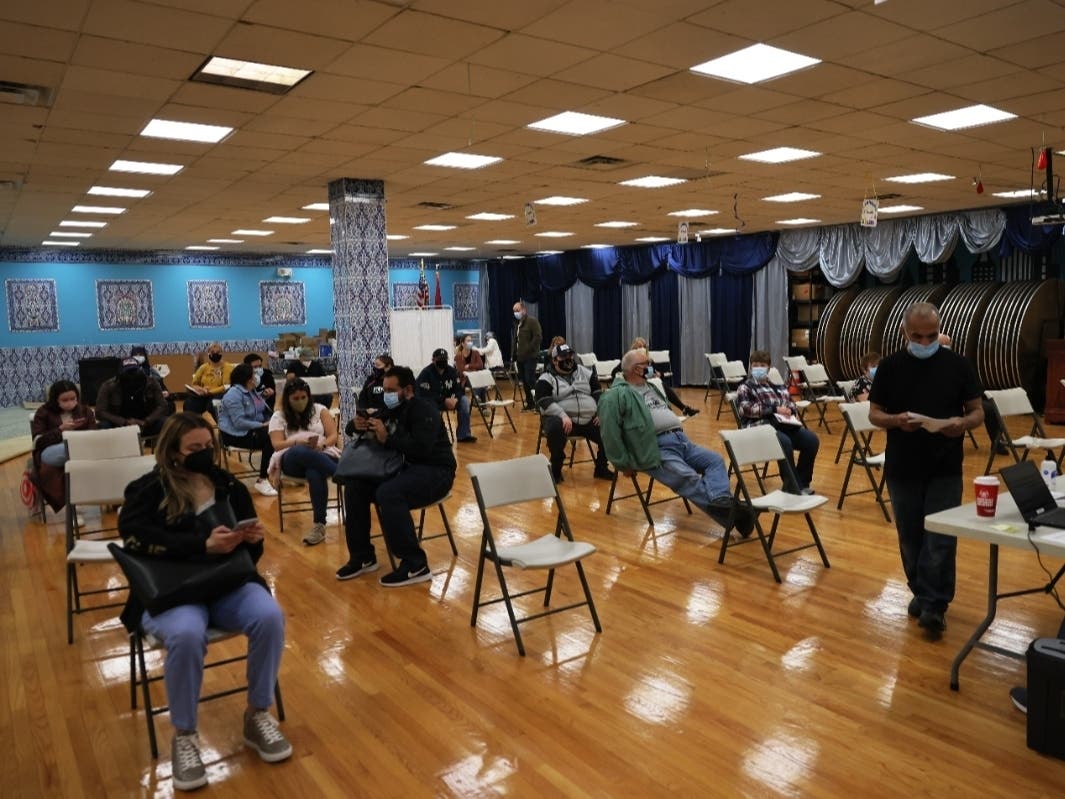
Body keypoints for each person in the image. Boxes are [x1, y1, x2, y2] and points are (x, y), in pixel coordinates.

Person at [117, 412, 290, 791]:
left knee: (270, 617)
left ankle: (257, 713)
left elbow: (251, 558)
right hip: (173, 589)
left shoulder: (228, 486)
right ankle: (185, 735)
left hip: (226, 582)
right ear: (173, 452)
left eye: (208, 447)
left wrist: (252, 539)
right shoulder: (147, 490)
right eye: (194, 448)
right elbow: (134, 541)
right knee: (186, 635)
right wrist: (201, 545)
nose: (203, 454)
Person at [869, 302, 983, 637]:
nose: (924, 342)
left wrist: (961, 423)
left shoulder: (958, 365)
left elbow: (977, 411)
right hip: (903, 465)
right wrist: (895, 420)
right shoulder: (890, 367)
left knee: (942, 537)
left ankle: (935, 604)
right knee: (910, 536)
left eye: (931, 336)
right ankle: (920, 590)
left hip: (946, 463)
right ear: (905, 333)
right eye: (917, 336)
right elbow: (875, 413)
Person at [598, 349, 754, 536]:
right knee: (687, 477)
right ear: (634, 369)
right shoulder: (614, 396)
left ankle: (723, 503)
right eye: (646, 363)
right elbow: (609, 434)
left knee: (715, 460)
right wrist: (622, 464)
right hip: (654, 447)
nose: (651, 366)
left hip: (681, 441)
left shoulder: (652, 386)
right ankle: (737, 514)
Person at [336, 365, 456, 586]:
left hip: (435, 470)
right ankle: (362, 556)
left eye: (391, 390)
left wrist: (387, 439)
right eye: (385, 390)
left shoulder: (424, 408)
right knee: (355, 486)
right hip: (404, 468)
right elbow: (372, 424)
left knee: (389, 493)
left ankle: (415, 564)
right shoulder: (392, 407)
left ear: (408, 389)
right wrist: (355, 425)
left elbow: (422, 449)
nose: (387, 395)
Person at [267, 378, 340, 546]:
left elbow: (333, 436)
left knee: (314, 472)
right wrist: (296, 442)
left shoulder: (320, 410)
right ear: (287, 399)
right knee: (301, 450)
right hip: (292, 458)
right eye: (296, 399)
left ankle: (319, 525)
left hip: (322, 453)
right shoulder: (278, 416)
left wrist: (323, 444)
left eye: (303, 397)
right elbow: (277, 444)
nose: (300, 402)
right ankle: (341, 473)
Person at [736, 350, 821, 494]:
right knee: (785, 442)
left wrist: (790, 411)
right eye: (755, 365)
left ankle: (802, 483)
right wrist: (774, 409)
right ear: (750, 367)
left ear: (768, 367)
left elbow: (791, 404)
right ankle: (793, 486)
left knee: (811, 440)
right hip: (758, 428)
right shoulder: (745, 387)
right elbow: (746, 410)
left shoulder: (778, 387)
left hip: (782, 425)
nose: (758, 368)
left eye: (762, 365)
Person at [535, 343, 614, 483]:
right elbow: (543, 400)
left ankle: (601, 467)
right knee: (554, 427)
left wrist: (601, 412)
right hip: (563, 419)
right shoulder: (546, 378)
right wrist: (562, 415)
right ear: (554, 360)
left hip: (588, 418)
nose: (568, 359)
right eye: (563, 356)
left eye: (570, 355)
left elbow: (598, 394)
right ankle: (556, 469)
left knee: (610, 424)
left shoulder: (586, 373)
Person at [30, 380, 96, 511]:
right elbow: (38, 442)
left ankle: (75, 503)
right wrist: (60, 430)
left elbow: (94, 434)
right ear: (55, 400)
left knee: (78, 459)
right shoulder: (43, 412)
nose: (70, 402)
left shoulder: (85, 410)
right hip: (52, 451)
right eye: (65, 400)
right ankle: (75, 504)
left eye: (73, 398)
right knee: (76, 453)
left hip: (81, 447)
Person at [217, 363, 277, 497]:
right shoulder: (233, 394)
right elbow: (239, 423)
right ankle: (263, 479)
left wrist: (264, 397)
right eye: (253, 374)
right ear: (247, 378)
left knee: (281, 430)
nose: (256, 377)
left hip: (252, 429)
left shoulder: (251, 390)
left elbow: (255, 409)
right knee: (271, 437)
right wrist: (262, 425)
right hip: (235, 435)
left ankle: (283, 470)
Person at [612, 337, 699, 416]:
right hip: (634, 385)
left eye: (643, 347)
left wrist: (659, 375)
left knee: (661, 385)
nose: (642, 349)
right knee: (660, 385)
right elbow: (614, 373)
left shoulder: (648, 360)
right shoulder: (629, 360)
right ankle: (680, 409)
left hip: (647, 383)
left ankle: (678, 409)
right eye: (639, 347)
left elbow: (653, 372)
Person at [95, 357, 170, 438]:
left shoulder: (152, 383)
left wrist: (146, 421)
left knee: (167, 422)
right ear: (120, 372)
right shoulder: (108, 386)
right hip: (119, 426)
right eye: (128, 371)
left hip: (146, 424)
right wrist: (124, 422)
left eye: (134, 371)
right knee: (103, 425)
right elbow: (99, 412)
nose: (132, 374)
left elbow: (163, 406)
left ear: (140, 370)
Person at [416, 348, 477, 444]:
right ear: (433, 360)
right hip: (434, 401)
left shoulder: (452, 371)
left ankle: (464, 434)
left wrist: (455, 399)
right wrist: (444, 400)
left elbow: (459, 389)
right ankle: (437, 437)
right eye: (440, 359)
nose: (442, 362)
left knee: (464, 400)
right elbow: (422, 393)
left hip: (451, 400)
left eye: (445, 359)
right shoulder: (426, 373)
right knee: (429, 405)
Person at [185, 343, 233, 416]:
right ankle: (194, 423)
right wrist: (199, 389)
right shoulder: (203, 367)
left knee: (212, 404)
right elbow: (194, 383)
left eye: (218, 352)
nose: (215, 354)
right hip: (203, 394)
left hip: (219, 395)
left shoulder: (228, 367)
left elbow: (225, 386)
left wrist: (209, 392)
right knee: (189, 403)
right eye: (212, 352)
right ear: (208, 354)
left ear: (222, 353)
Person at [512, 300, 542, 411]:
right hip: (520, 357)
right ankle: (530, 403)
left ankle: (538, 403)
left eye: (517, 310)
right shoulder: (517, 324)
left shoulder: (532, 321)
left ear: (524, 310)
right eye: (514, 311)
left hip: (530, 356)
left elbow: (538, 337)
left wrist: (529, 349)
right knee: (524, 381)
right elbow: (516, 340)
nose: (516, 313)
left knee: (530, 379)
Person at [131, 345, 175, 414]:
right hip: (137, 400)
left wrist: (166, 392)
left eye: (140, 355)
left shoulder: (152, 371)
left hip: (154, 399)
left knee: (170, 404)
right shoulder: (128, 371)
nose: (138, 357)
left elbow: (162, 387)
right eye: (136, 355)